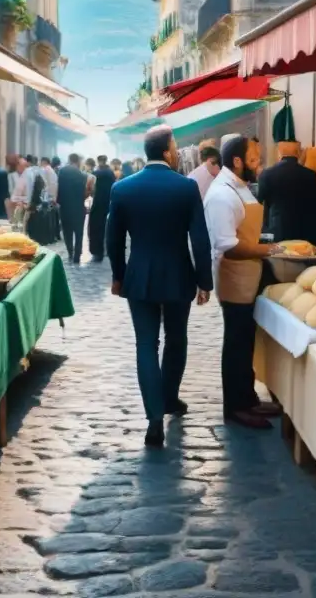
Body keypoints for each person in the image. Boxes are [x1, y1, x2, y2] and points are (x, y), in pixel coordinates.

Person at [106, 125, 212, 447]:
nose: (179, 152)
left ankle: (154, 419)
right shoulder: (186, 187)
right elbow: (200, 239)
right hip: (178, 273)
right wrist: (205, 280)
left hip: (139, 276)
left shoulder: (123, 188)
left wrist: (119, 275)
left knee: (145, 344)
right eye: (176, 147)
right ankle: (169, 399)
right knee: (176, 338)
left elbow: (114, 238)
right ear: (167, 151)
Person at [204, 135, 284, 429]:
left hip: (249, 273)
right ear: (237, 162)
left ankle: (248, 397)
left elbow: (246, 231)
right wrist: (271, 250)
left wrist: (265, 243)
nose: (258, 163)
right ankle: (235, 407)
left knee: (246, 340)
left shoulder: (239, 187)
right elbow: (229, 245)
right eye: (253, 159)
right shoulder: (222, 194)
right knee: (236, 343)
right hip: (234, 276)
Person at [258, 141, 316, 248]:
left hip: (277, 234)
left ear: (279, 153)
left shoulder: (266, 174)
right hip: (306, 236)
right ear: (298, 153)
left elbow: (258, 204)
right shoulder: (311, 175)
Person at [57, 154, 88, 262]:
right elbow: (85, 193)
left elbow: (58, 188)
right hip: (79, 207)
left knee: (67, 232)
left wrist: (58, 201)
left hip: (65, 207)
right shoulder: (82, 175)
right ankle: (77, 255)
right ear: (78, 161)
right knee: (79, 233)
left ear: (69, 160)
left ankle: (70, 252)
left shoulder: (62, 171)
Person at [88, 154, 116, 261]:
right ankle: (108, 250)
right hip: (109, 203)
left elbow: (91, 188)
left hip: (97, 203)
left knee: (96, 227)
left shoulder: (95, 173)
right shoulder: (110, 173)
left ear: (98, 161)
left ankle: (97, 251)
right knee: (109, 228)